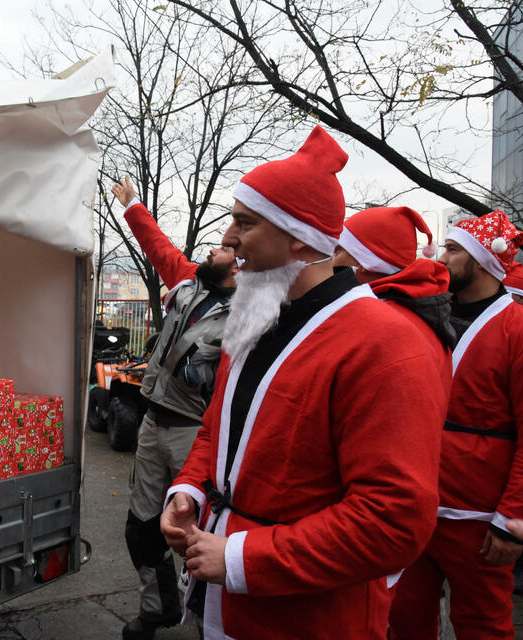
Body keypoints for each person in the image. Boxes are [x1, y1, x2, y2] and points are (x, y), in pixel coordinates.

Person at [159, 126, 446, 639]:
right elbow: (217, 433)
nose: (227, 239)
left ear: (298, 235)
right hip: (230, 606)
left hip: (312, 620)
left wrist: (244, 558)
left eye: (245, 222)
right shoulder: (255, 318)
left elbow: (393, 520)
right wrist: (190, 493)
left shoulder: (385, 343)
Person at [109, 177, 237, 640]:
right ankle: (158, 607)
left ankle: (205, 623)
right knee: (141, 528)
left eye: (224, 249)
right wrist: (132, 204)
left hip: (193, 434)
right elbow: (157, 244)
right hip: (152, 424)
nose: (214, 248)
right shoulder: (187, 283)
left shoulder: (249, 316)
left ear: (239, 269)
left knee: (197, 534)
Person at [389, 210, 523, 640]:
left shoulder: (516, 328)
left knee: (483, 625)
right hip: (415, 504)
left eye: (452, 249)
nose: (440, 257)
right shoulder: (430, 317)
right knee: (403, 618)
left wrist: (512, 520)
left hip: (478, 517)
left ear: (483, 260)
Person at [332, 205, 456, 377]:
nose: (331, 261)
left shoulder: (386, 329)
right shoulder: (408, 312)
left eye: (338, 251)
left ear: (366, 262)